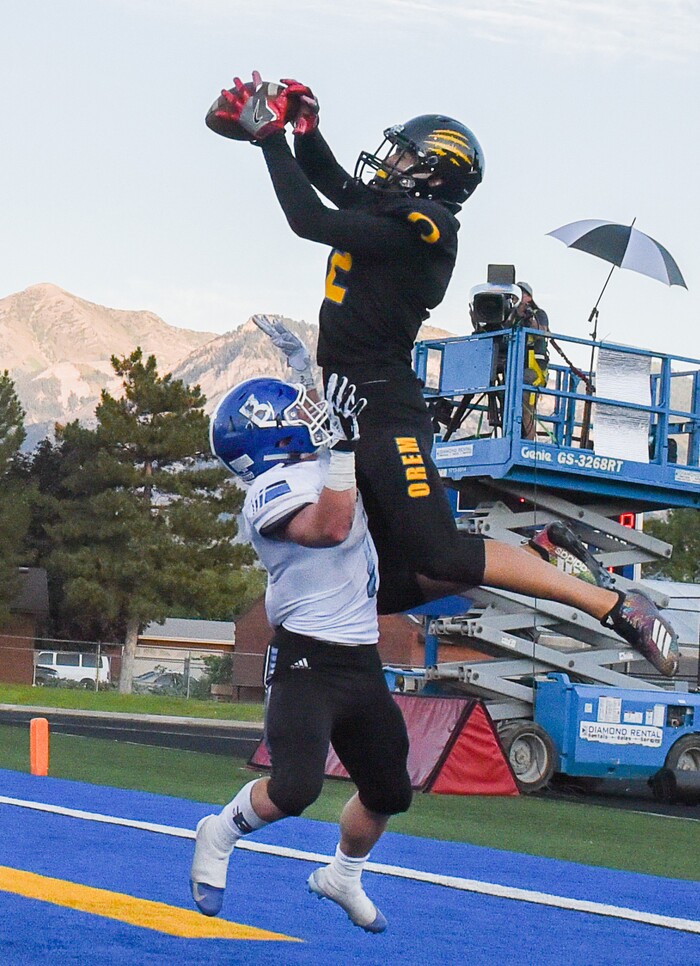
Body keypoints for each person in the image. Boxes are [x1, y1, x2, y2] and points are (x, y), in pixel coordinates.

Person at [206, 72, 679, 678]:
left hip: (384, 405)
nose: (391, 162)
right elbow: (338, 189)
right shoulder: (397, 212)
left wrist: (268, 138)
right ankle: (535, 556)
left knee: (438, 553)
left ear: (435, 174)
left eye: (406, 155)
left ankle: (615, 605)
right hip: (354, 400)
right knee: (381, 586)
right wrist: (304, 132)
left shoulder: (426, 229)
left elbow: (310, 219)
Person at [190, 374, 411, 933]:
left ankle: (343, 874)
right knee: (295, 787)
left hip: (360, 658)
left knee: (389, 789)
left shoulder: (324, 460)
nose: (310, 419)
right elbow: (332, 527)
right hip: (307, 658)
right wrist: (341, 447)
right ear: (271, 437)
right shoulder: (267, 491)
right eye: (296, 414)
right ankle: (219, 833)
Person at [513, 281, 550, 440]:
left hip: (534, 371)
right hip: (516, 370)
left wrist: (529, 319)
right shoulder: (515, 315)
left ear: (528, 296)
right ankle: (514, 436)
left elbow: (543, 333)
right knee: (504, 392)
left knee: (525, 403)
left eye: (521, 294)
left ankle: (527, 442)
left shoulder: (538, 313)